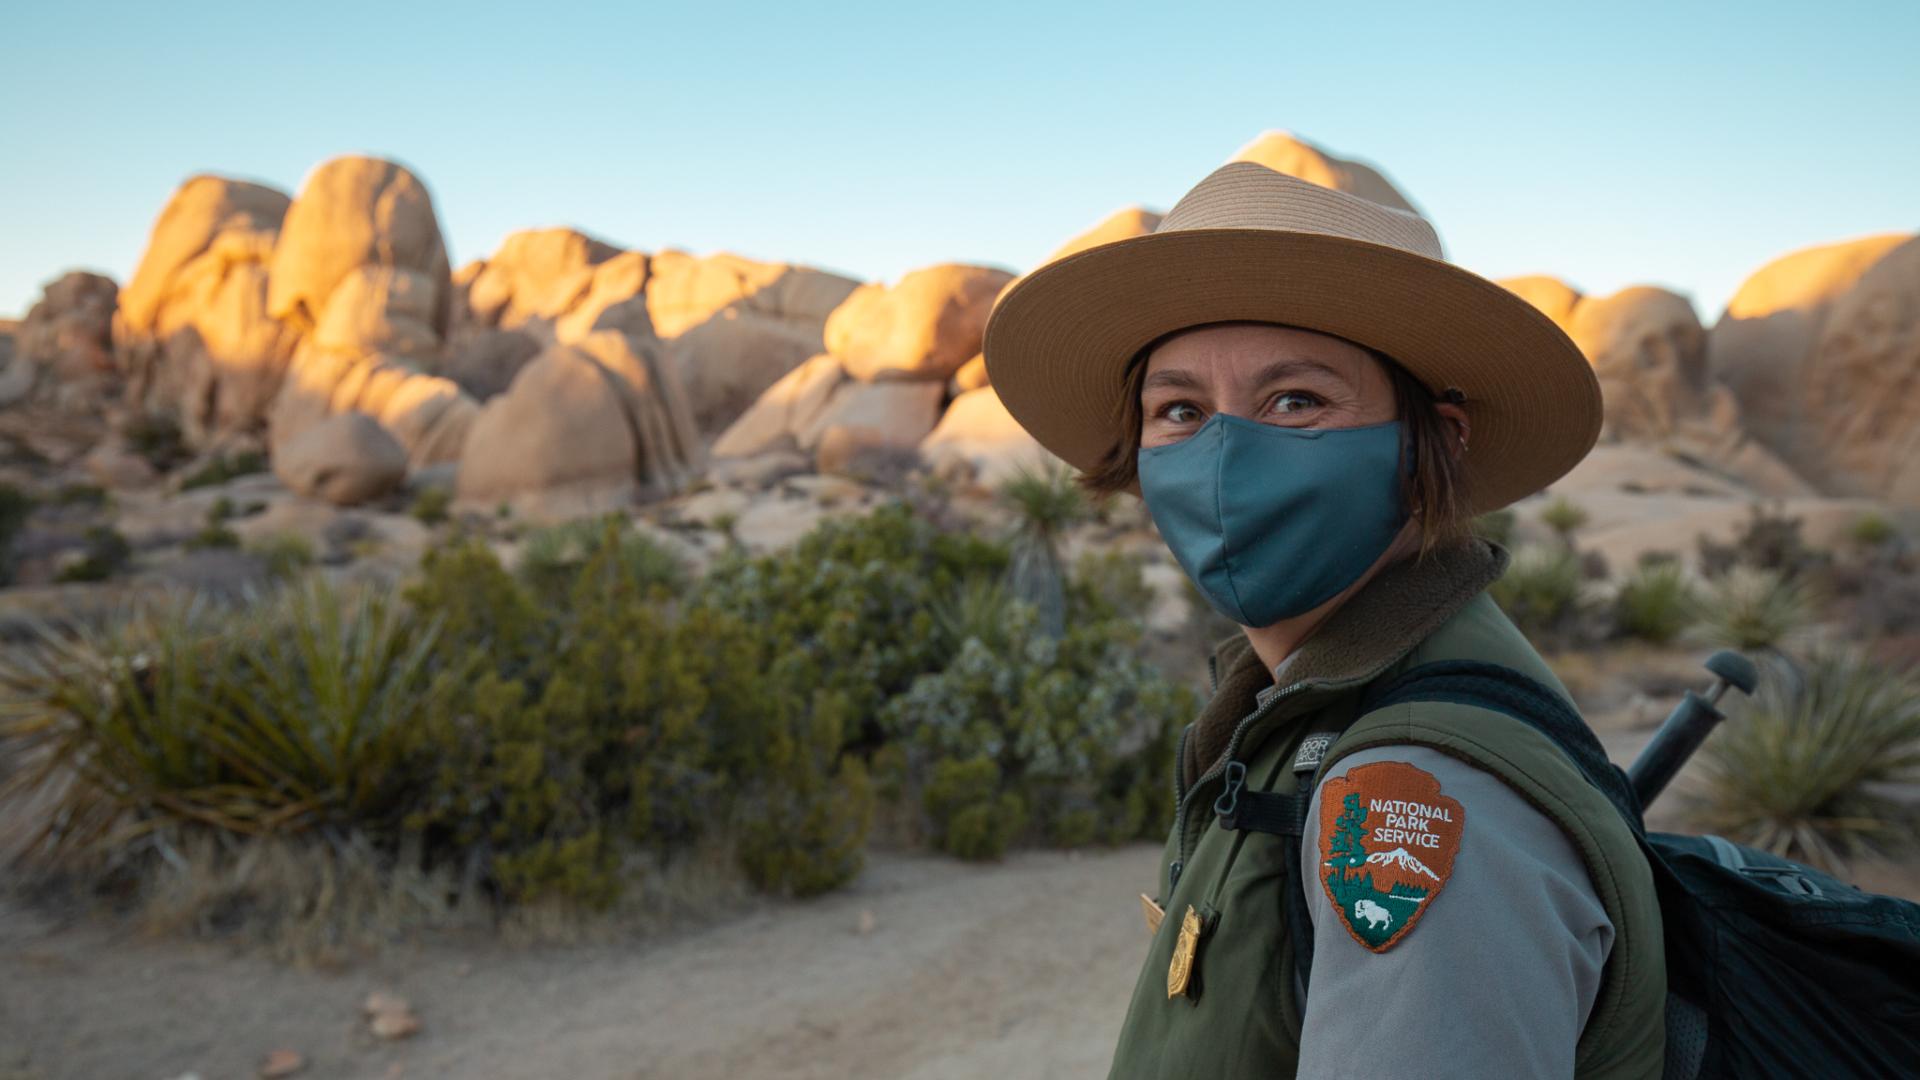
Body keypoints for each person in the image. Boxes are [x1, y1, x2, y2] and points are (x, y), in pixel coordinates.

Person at [980, 162, 1666, 1078]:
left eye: (1296, 401)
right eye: (1179, 410)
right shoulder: (1302, 709)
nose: (1226, 455)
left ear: (1434, 442)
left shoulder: (1418, 790)